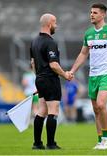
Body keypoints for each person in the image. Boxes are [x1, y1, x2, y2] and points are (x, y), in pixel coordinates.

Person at [70, 3, 107, 150]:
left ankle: (105, 139)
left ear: (103, 15)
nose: (92, 15)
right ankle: (99, 141)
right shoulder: (88, 33)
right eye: (91, 12)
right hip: (93, 74)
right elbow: (83, 54)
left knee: (102, 104)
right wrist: (72, 71)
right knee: (96, 109)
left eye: (95, 12)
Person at [30, 13, 73, 150]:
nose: (56, 25)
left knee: (41, 111)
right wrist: (65, 75)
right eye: (55, 23)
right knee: (53, 111)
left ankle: (37, 143)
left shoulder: (34, 41)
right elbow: (53, 65)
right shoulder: (50, 42)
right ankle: (51, 144)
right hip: (50, 79)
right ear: (49, 24)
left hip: (40, 78)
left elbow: (32, 63)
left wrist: (39, 80)